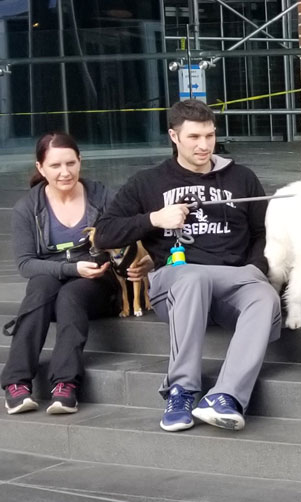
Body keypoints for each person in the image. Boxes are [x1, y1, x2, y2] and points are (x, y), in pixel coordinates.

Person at [93, 100, 281, 432]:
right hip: (178, 281)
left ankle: (226, 397)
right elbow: (105, 232)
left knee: (264, 296)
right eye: (194, 136)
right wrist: (154, 218)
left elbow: (263, 232)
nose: (204, 145)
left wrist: (255, 268)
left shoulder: (241, 177)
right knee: (192, 277)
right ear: (174, 136)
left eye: (209, 135)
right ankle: (181, 391)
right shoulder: (148, 182)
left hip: (234, 279)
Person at [3, 133, 150, 415]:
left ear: (80, 161)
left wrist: (148, 261)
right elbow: (25, 264)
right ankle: (16, 383)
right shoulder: (28, 207)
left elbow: (133, 230)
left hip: (99, 280)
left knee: (71, 294)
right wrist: (71, 268)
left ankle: (65, 384)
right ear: (40, 168)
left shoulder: (102, 196)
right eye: (55, 166)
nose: (65, 172)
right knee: (40, 288)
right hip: (51, 281)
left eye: (71, 163)